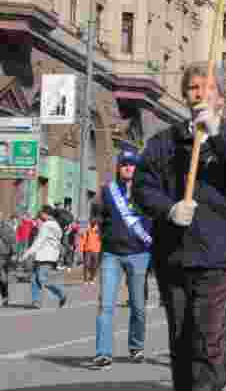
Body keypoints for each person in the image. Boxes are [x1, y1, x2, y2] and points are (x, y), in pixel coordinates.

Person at [135, 62, 226, 391]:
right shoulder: (165, 141)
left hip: (216, 256)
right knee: (181, 336)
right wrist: (169, 208)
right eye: (192, 88)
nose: (199, 94)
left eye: (207, 89)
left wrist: (216, 134)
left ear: (220, 98)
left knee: (206, 333)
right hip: (173, 254)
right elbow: (142, 188)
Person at [89, 150, 154, 369]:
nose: (128, 167)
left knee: (138, 306)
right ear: (119, 167)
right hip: (112, 253)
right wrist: (99, 225)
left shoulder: (146, 192)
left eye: (132, 164)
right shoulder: (108, 191)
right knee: (105, 305)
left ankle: (136, 347)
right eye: (124, 164)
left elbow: (156, 218)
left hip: (139, 253)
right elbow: (97, 214)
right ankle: (103, 353)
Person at [21, 206, 68, 309]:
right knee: (34, 279)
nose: (40, 215)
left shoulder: (47, 225)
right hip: (48, 256)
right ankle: (36, 302)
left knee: (42, 279)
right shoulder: (56, 225)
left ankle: (61, 293)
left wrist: (26, 254)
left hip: (45, 256)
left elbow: (39, 241)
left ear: (45, 214)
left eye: (41, 213)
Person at [79, 218, 102, 284]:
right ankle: (85, 279)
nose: (91, 223)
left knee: (94, 265)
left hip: (96, 250)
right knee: (86, 264)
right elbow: (83, 239)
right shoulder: (87, 230)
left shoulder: (99, 231)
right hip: (87, 249)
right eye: (91, 222)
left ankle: (92, 278)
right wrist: (81, 248)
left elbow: (102, 240)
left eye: (93, 222)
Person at [0, 214, 15, 306]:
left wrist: (14, 253)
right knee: (2, 276)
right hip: (4, 253)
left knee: (2, 276)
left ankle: (5, 296)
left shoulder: (6, 227)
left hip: (3, 254)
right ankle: (5, 296)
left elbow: (12, 240)